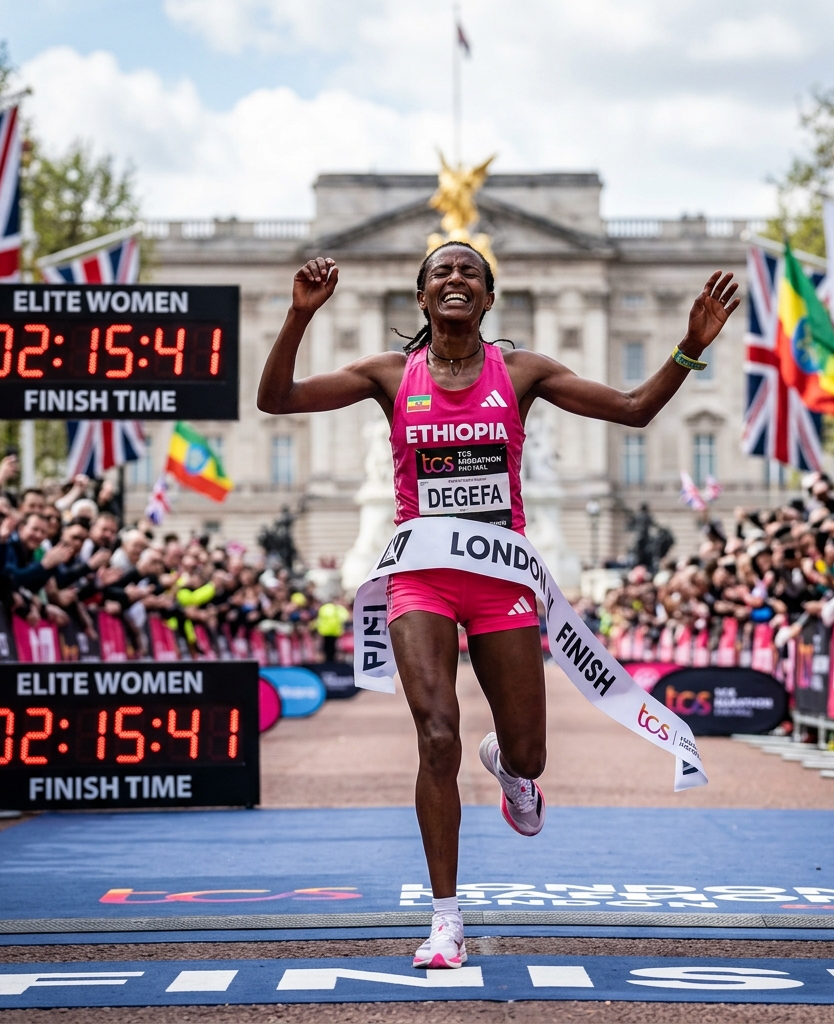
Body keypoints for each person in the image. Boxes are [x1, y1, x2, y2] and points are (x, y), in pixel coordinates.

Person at [257, 245, 738, 969]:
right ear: (421, 299)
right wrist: (298, 317)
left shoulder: (523, 373)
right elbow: (277, 400)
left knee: (530, 751)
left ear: (487, 299)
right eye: (441, 273)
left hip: (499, 575)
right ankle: (445, 917)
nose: (455, 280)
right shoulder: (388, 376)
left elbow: (636, 411)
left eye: (470, 274)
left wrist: (691, 348)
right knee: (437, 736)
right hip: (420, 574)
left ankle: (509, 769)